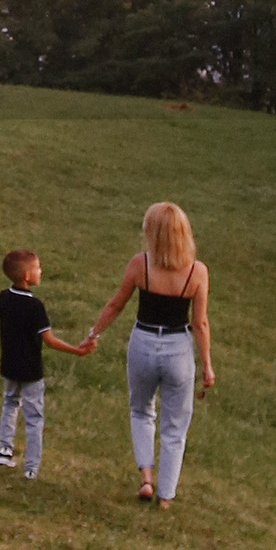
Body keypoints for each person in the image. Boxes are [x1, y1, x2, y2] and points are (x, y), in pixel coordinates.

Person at [85, 199, 214, 507]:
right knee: (175, 426)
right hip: (178, 350)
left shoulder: (140, 265)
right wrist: (207, 366)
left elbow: (116, 304)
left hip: (143, 342)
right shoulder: (197, 272)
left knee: (141, 410)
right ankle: (166, 496)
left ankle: (146, 477)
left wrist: (93, 334)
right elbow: (200, 323)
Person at [0, 247, 95, 479]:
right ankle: (31, 468)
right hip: (31, 371)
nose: (41, 271)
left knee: (10, 403)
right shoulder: (35, 307)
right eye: (37, 268)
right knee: (34, 417)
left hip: (9, 366)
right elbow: (49, 340)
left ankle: (5, 450)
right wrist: (76, 350)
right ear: (27, 276)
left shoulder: (4, 298)